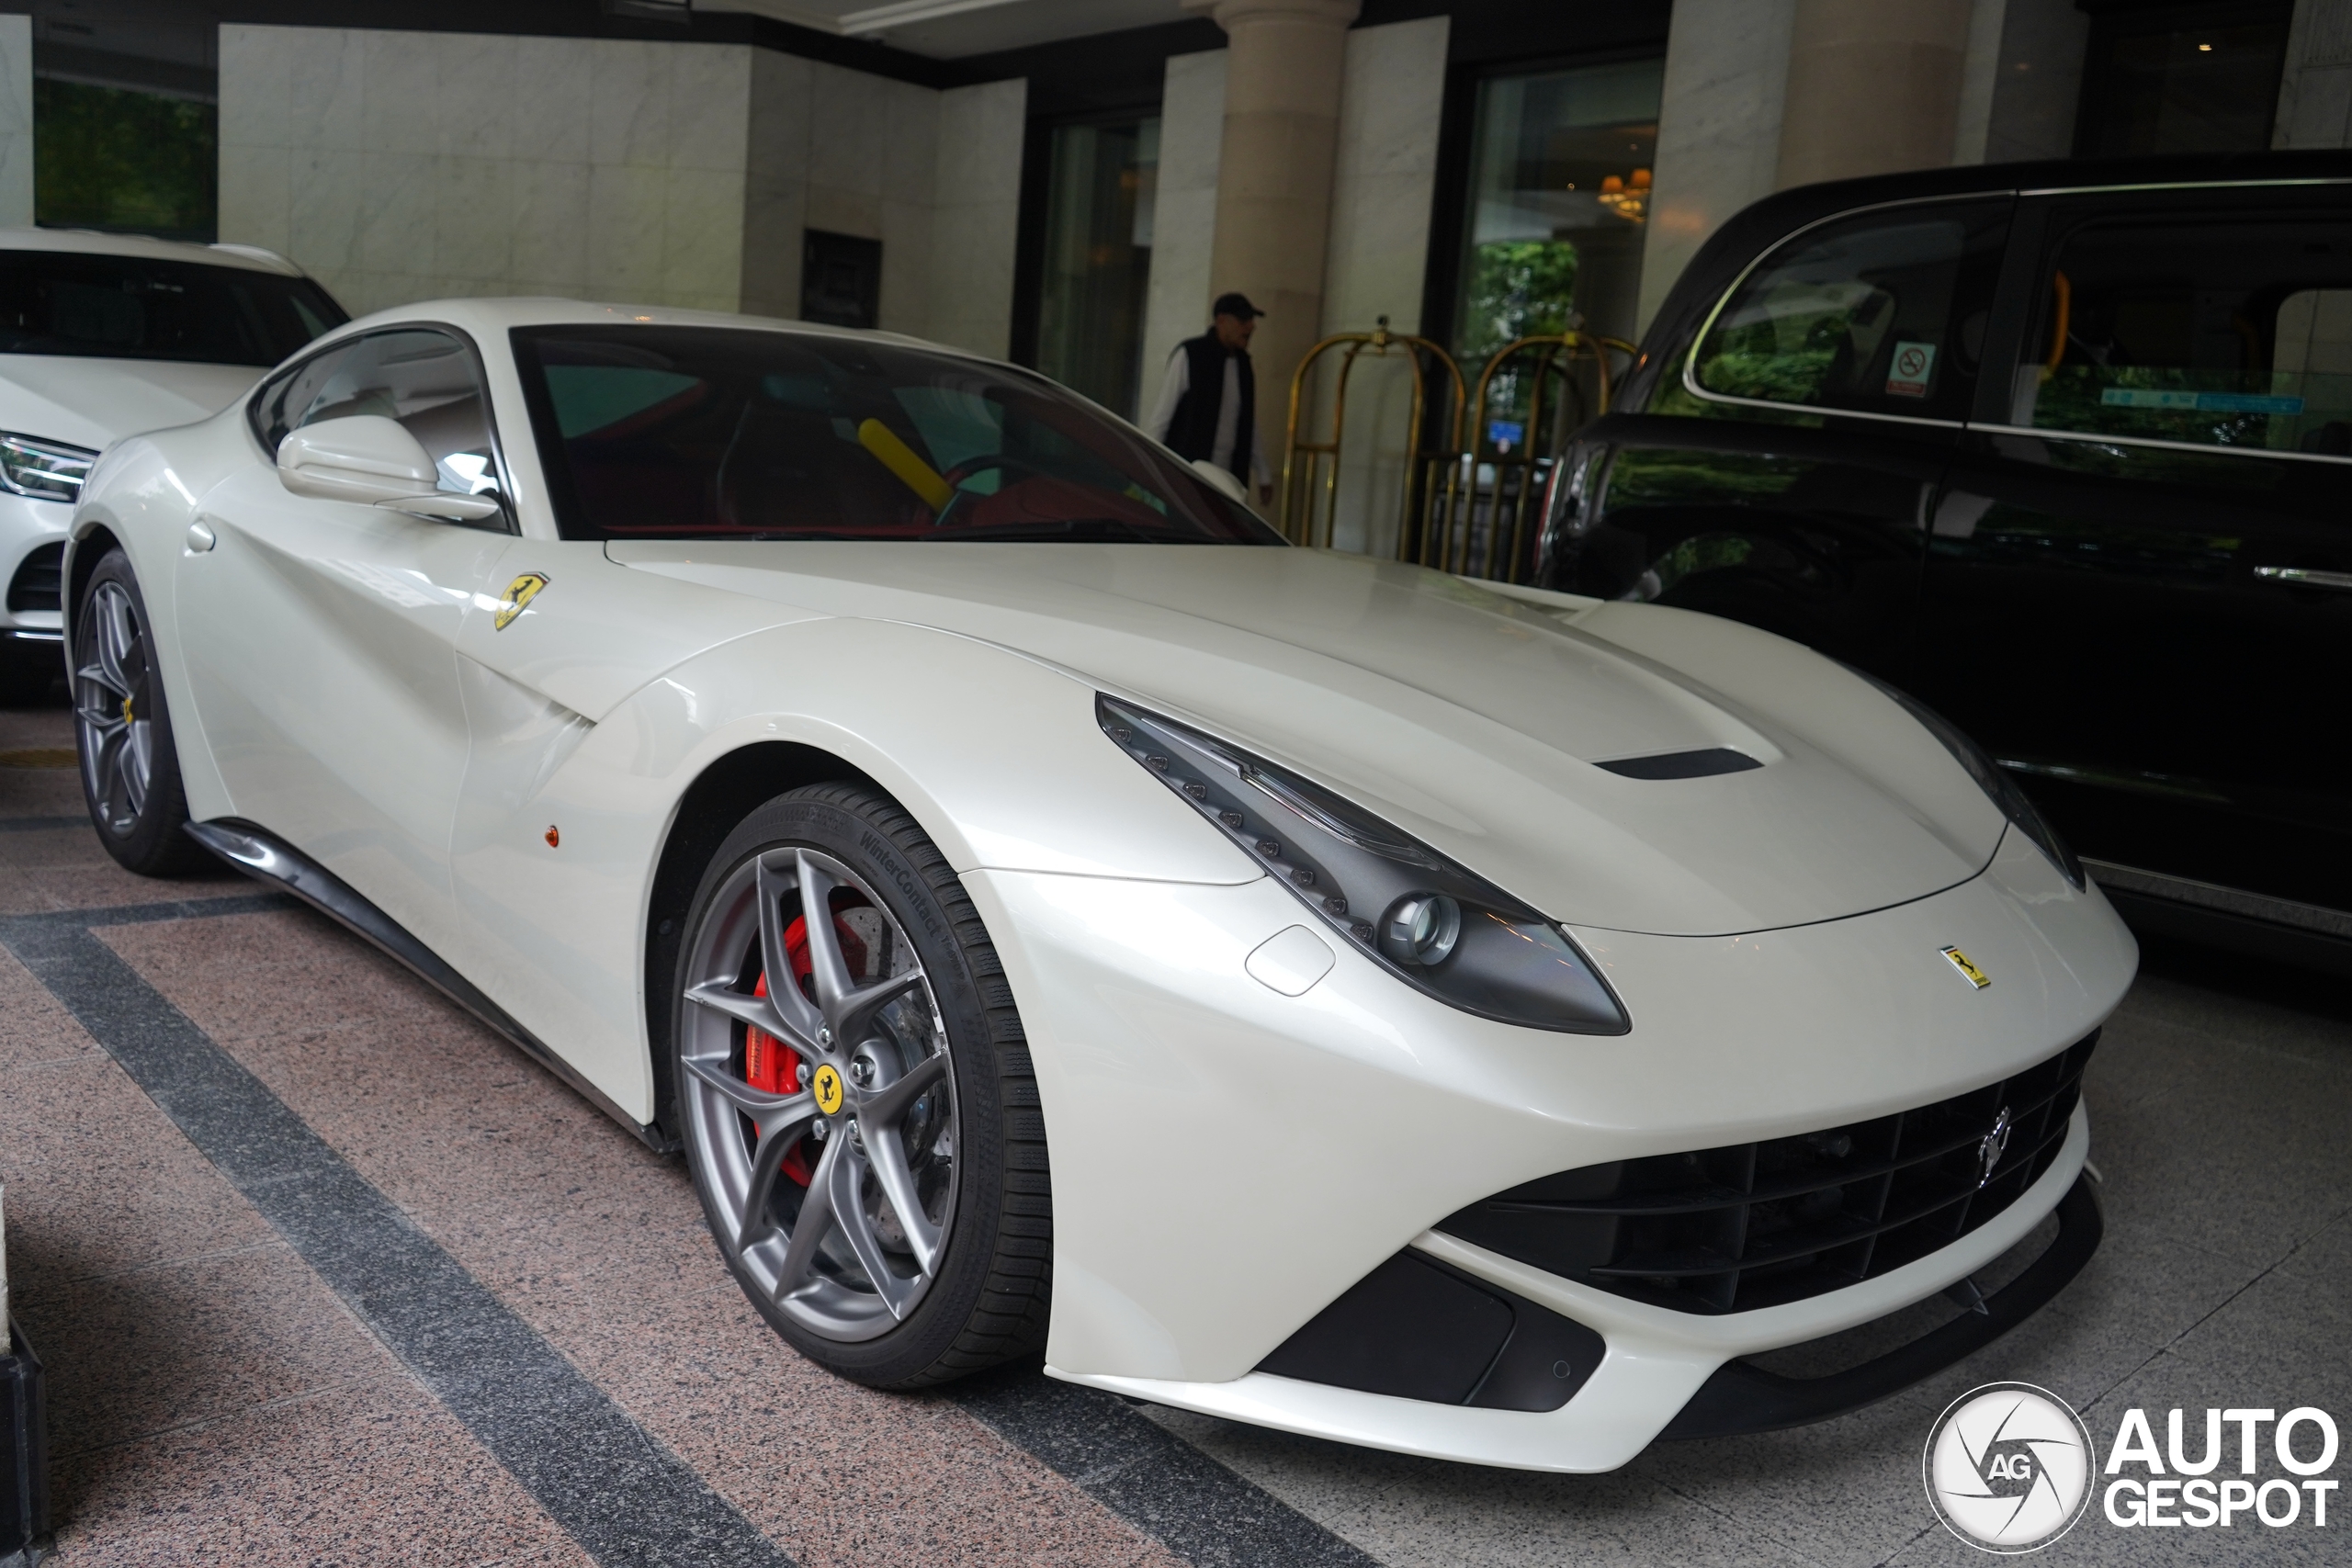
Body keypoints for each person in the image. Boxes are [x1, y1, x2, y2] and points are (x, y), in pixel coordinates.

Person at [1145, 292, 1273, 504]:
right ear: (1221, 321)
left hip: (1230, 477)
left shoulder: (1243, 365)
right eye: (1243, 321)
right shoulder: (1191, 355)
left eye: (1251, 321)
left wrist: (1264, 473)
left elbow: (1247, 422)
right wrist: (1148, 467)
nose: (1251, 327)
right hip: (1189, 472)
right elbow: (1162, 417)